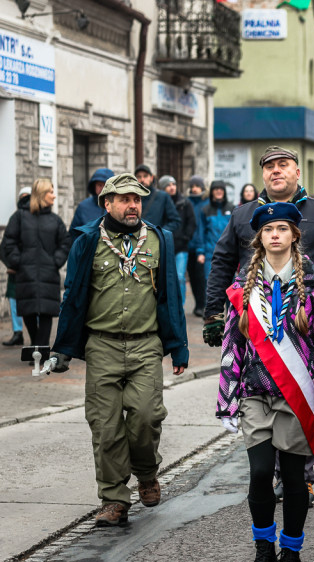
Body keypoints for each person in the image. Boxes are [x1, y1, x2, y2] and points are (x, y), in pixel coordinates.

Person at [203, 145, 314, 505]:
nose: (276, 171)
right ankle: (270, 473)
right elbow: (222, 261)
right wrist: (214, 313)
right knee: (258, 396)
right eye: (269, 166)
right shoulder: (243, 216)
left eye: (283, 165)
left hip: (303, 326)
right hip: (254, 326)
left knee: (299, 396)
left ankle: (298, 476)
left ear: (297, 172)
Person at [50, 173, 188, 527]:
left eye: (137, 200)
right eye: (124, 199)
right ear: (106, 204)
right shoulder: (87, 241)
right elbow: (74, 296)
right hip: (103, 346)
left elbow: (171, 295)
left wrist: (179, 348)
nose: (132, 206)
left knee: (145, 417)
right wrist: (63, 347)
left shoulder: (160, 239)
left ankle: (146, 471)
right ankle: (113, 499)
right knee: (105, 427)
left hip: (145, 346)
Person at [216, 202, 314, 562]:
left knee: (292, 479)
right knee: (258, 475)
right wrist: (226, 402)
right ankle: (262, 550)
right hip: (255, 394)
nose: (275, 235)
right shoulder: (242, 289)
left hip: (294, 398)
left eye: (282, 228)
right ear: (259, 238)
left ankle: (291, 553)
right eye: (268, 229)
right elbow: (232, 346)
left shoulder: (313, 287)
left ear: (294, 236)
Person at [1, 179, 74, 347]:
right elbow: (8, 242)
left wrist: (56, 261)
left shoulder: (55, 220)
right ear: (42, 194)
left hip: (49, 274)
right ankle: (36, 345)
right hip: (25, 273)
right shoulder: (20, 217)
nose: (54, 196)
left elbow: (65, 242)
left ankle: (40, 350)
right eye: (51, 192)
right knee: (28, 312)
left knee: (47, 313)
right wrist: (17, 261)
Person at [157, 176, 197, 306]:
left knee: (180, 277)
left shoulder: (184, 203)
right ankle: (168, 304)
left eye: (173, 184)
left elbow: (192, 222)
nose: (172, 187)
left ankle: (180, 305)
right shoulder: (160, 203)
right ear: (163, 188)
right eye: (168, 185)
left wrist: (186, 237)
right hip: (164, 246)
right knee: (165, 278)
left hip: (181, 246)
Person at [3, 187, 31, 347]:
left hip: (31, 270)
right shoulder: (15, 218)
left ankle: (38, 335)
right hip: (16, 270)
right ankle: (17, 332)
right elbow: (5, 245)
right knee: (14, 302)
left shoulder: (39, 218)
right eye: (23, 197)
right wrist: (12, 263)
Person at [199, 180, 235, 281]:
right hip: (211, 253)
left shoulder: (232, 208)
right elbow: (201, 232)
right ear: (212, 192)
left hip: (229, 252)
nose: (219, 191)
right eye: (216, 189)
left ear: (224, 191)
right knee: (211, 283)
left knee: (230, 284)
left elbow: (236, 231)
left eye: (221, 189)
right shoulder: (205, 210)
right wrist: (200, 252)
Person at [134, 164, 180, 236]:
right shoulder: (132, 197)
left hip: (155, 242)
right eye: (139, 177)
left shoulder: (163, 196)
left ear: (151, 178)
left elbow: (175, 221)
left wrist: (160, 233)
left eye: (145, 176)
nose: (142, 179)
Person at [186, 177, 209, 316]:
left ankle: (203, 305)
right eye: (192, 186)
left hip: (202, 246)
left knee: (202, 278)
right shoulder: (187, 202)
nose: (194, 188)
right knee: (193, 278)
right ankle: (198, 304)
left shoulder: (206, 202)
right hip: (189, 245)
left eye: (197, 186)